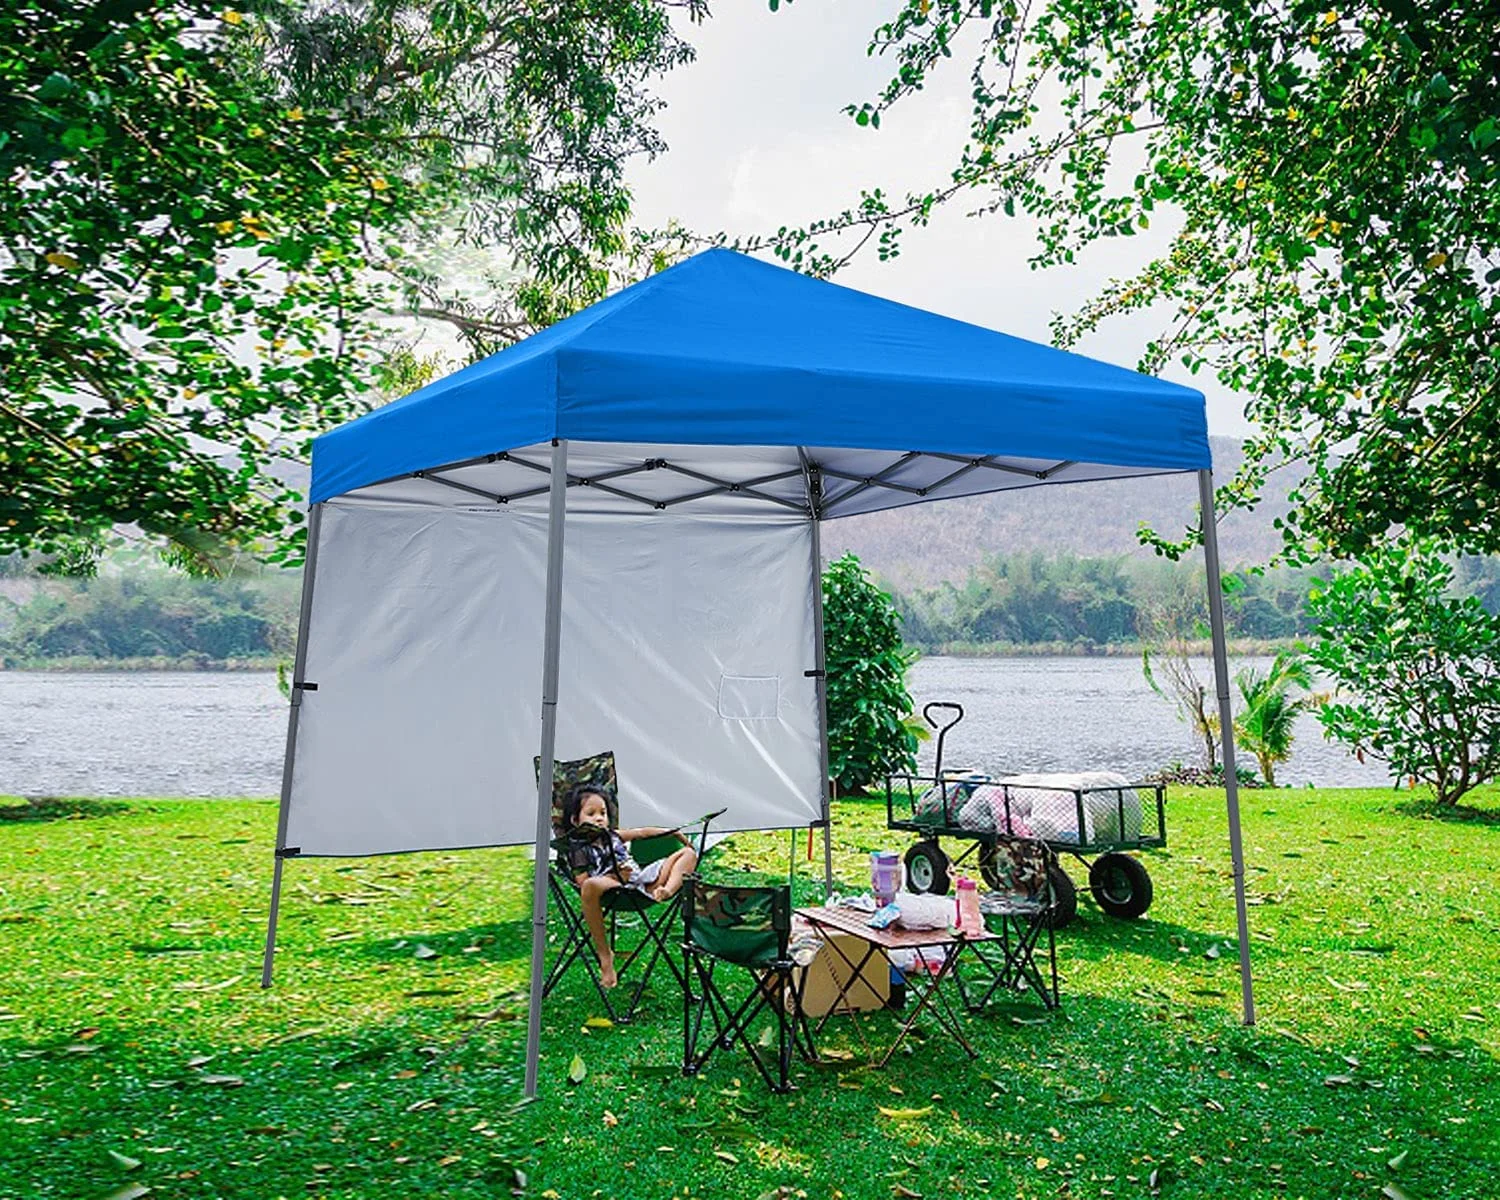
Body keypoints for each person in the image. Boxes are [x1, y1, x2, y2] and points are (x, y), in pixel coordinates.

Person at [561, 785, 698, 989]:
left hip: (642, 880)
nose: (599, 818)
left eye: (603, 813)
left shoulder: (614, 835)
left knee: (689, 855)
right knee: (590, 885)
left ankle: (667, 889)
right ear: (575, 820)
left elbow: (642, 833)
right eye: (591, 814)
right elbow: (582, 883)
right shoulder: (578, 847)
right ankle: (605, 955)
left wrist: (673, 833)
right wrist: (615, 875)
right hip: (611, 884)